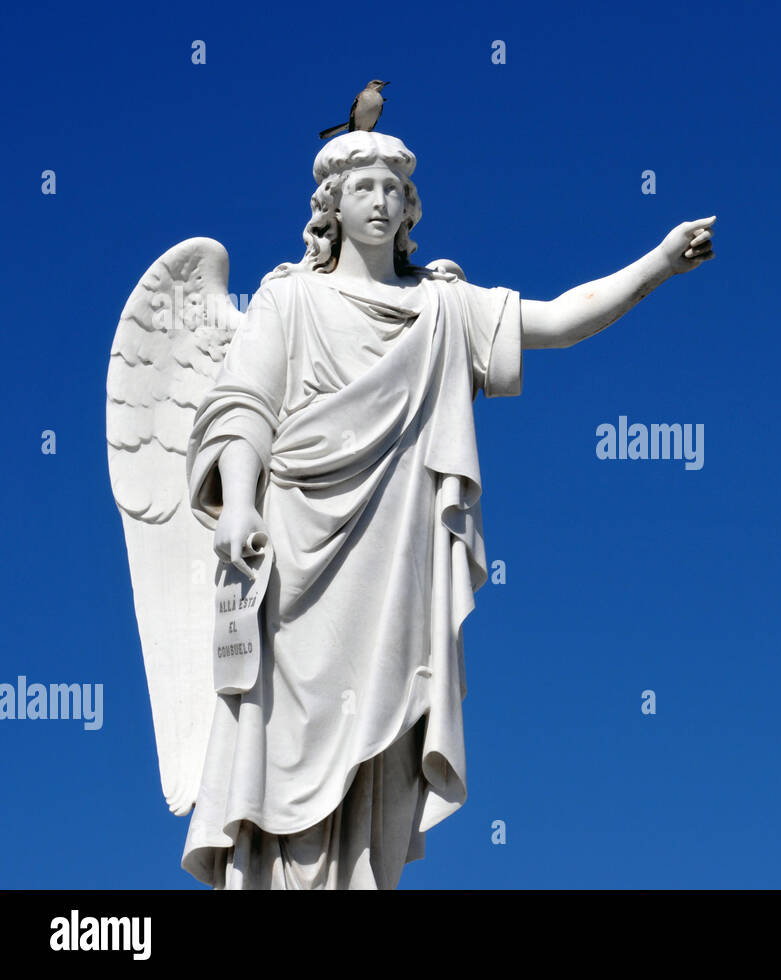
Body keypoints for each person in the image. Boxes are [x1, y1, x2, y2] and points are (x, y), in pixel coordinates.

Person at [181, 130, 714, 888]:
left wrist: (657, 264)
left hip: (398, 568)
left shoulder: (445, 309)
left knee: (389, 743)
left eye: (395, 190)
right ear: (332, 204)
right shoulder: (288, 298)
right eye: (364, 187)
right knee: (290, 756)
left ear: (409, 210)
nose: (381, 201)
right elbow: (242, 410)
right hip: (301, 566)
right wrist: (237, 504)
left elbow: (559, 320)